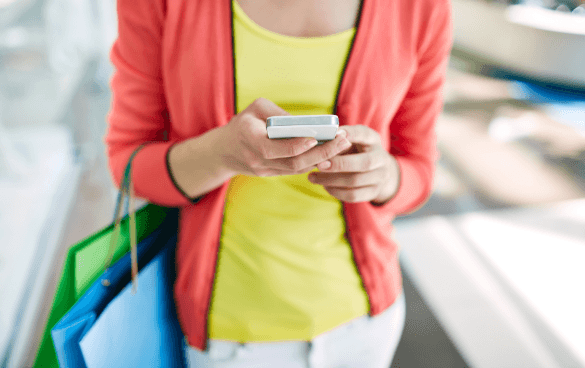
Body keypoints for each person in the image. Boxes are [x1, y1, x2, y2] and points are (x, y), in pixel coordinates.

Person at [105, 0, 452, 366]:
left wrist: (384, 177)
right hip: (230, 338)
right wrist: (219, 154)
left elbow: (420, 167)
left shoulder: (422, 8)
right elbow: (127, 163)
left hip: (363, 325)